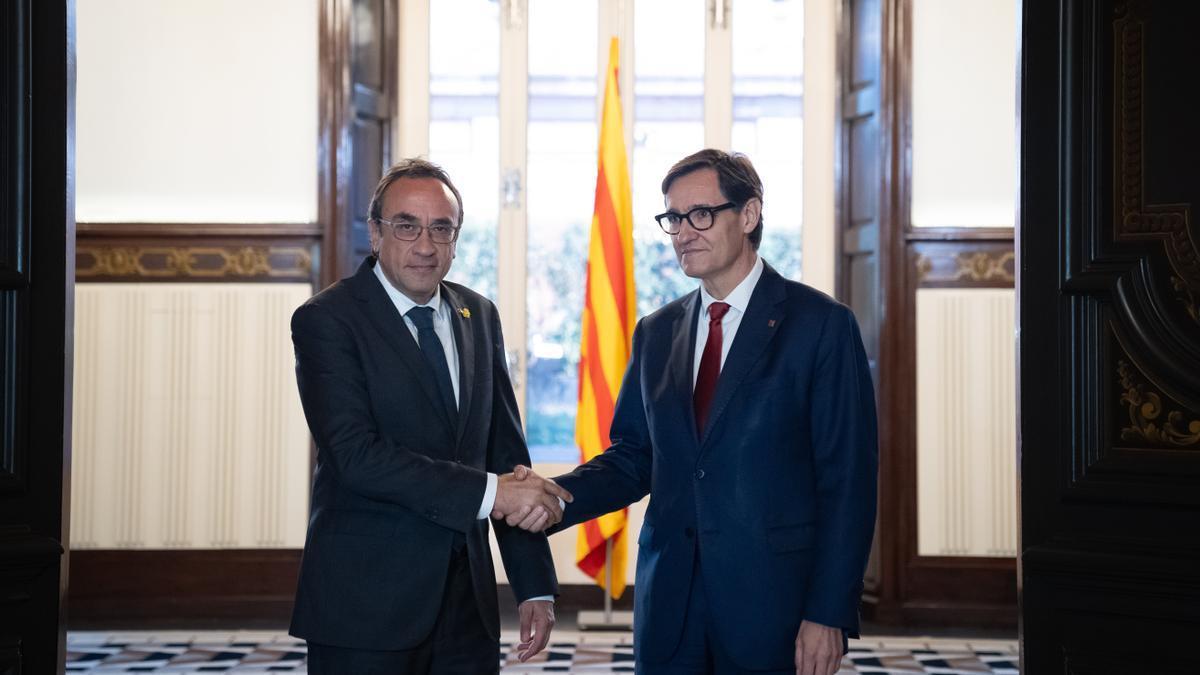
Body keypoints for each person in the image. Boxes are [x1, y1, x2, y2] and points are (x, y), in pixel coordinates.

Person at [530, 149, 878, 674]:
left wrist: (828, 612)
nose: (683, 232)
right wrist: (553, 499)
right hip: (669, 606)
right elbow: (634, 458)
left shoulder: (821, 326)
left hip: (773, 607)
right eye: (673, 217)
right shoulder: (657, 332)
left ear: (750, 215)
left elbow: (847, 481)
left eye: (701, 214)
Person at [288, 158, 573, 674]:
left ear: (457, 237)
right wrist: (492, 493)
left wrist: (534, 585)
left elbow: (508, 458)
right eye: (407, 226)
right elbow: (357, 456)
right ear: (375, 234)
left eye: (442, 228)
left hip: (468, 609)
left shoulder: (478, 314)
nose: (425, 245)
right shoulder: (328, 320)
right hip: (366, 607)